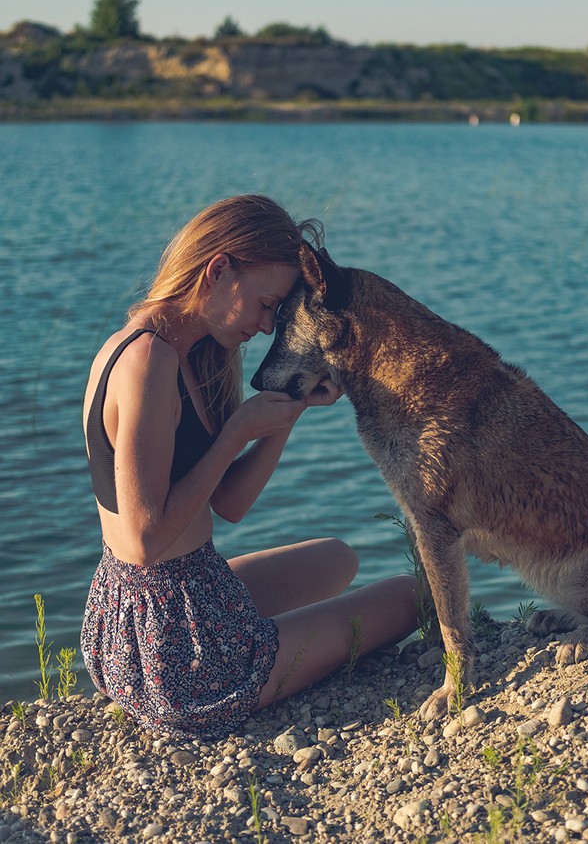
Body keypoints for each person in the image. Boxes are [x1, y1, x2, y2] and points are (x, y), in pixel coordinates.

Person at [80, 194, 418, 738]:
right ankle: (253, 660)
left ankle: (268, 640)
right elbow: (145, 542)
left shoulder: (184, 353)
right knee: (414, 595)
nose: (266, 327)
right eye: (265, 304)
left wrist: (285, 418)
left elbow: (228, 504)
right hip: (179, 662)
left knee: (338, 558)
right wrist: (237, 431)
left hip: (146, 614)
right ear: (219, 270)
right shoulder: (147, 362)